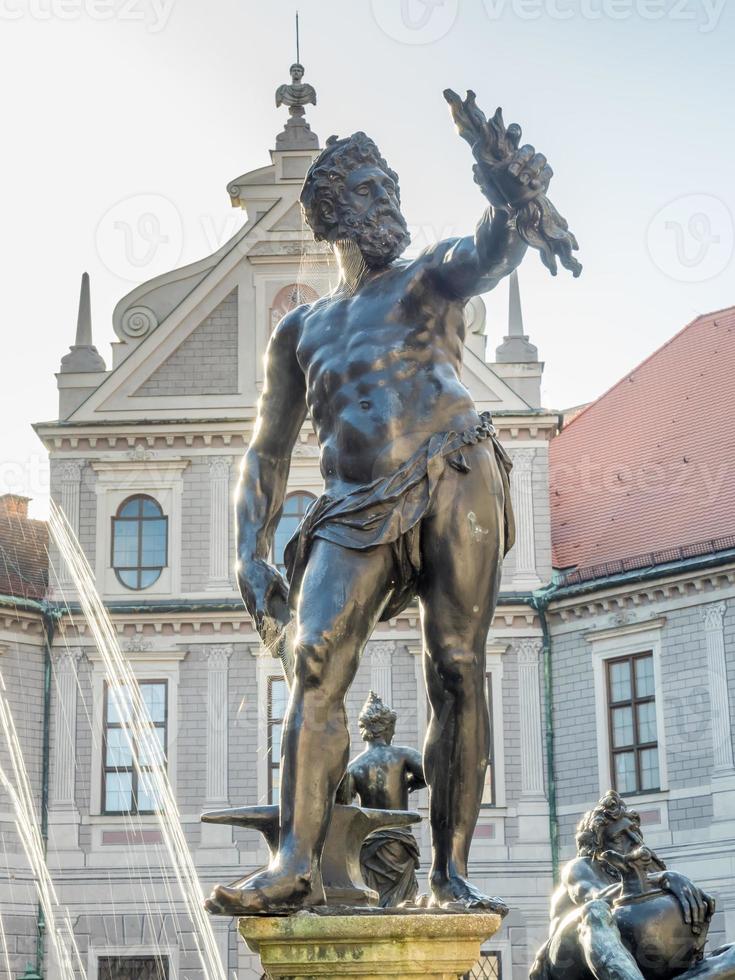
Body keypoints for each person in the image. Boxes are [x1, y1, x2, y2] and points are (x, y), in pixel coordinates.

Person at [207, 115, 555, 915]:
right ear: (330, 214)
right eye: (369, 191)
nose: (386, 203)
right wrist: (248, 552)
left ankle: (450, 871)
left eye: (390, 188)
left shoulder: (426, 278)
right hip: (351, 502)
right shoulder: (300, 328)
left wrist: (507, 202)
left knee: (457, 666)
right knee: (315, 656)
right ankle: (295, 861)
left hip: (451, 470)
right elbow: (266, 449)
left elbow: (486, 253)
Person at [337, 692, 425, 907]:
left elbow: (343, 809)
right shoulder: (403, 755)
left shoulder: (354, 768)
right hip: (399, 842)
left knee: (374, 902)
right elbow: (432, 774)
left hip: (369, 844)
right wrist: (413, 781)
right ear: (388, 727)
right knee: (403, 903)